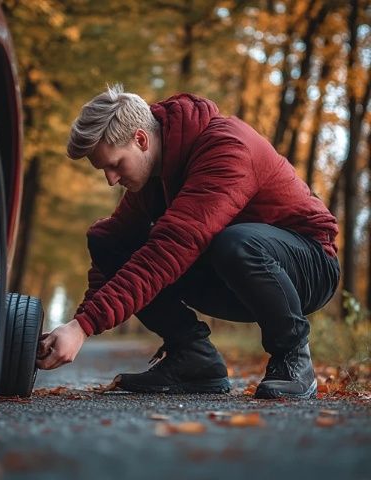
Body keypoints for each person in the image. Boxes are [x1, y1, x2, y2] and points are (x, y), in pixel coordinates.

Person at [36, 84, 340, 399]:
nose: (111, 179)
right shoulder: (154, 175)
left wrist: (85, 327)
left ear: (140, 139)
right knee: (105, 238)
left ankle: (293, 357)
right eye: (104, 170)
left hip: (307, 266)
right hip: (233, 271)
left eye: (115, 164)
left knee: (234, 242)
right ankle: (194, 360)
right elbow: (113, 248)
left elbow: (170, 249)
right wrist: (77, 322)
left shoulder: (227, 148)